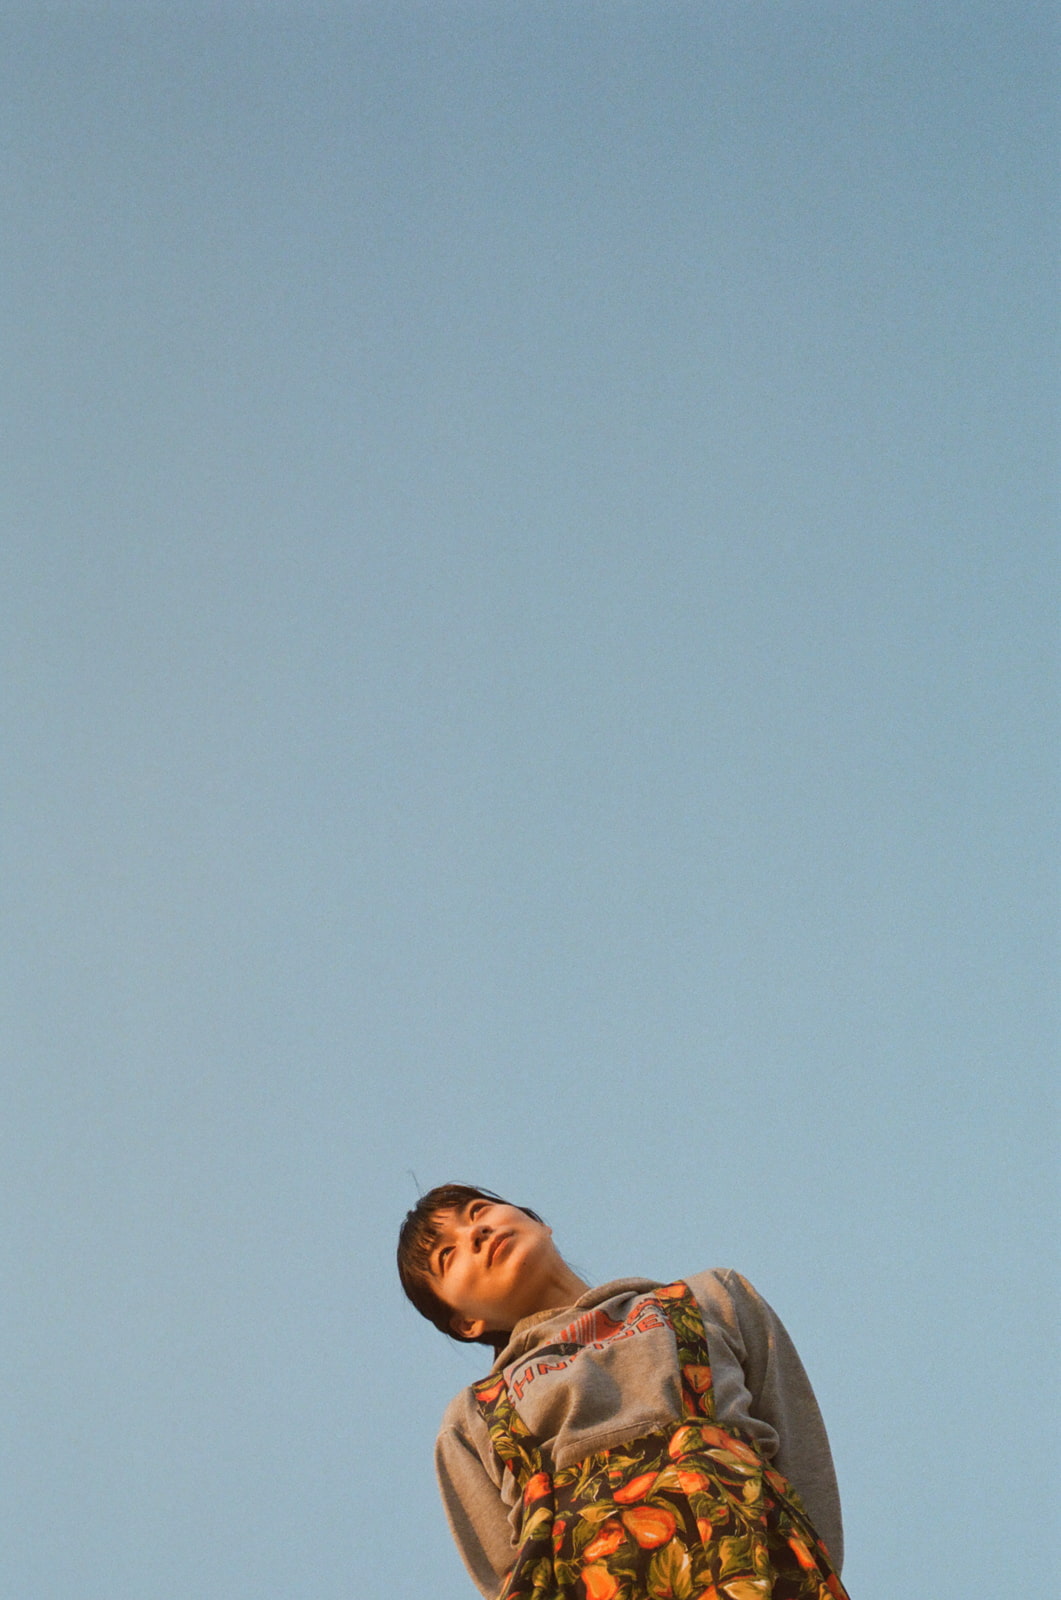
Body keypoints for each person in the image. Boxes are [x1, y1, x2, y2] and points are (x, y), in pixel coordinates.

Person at [397, 1183, 850, 1600]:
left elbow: (804, 1466)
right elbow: (506, 1576)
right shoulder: (474, 1416)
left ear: (538, 1222)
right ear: (466, 1324)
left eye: (478, 1211)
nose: (476, 1233)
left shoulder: (712, 1297)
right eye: (448, 1255)